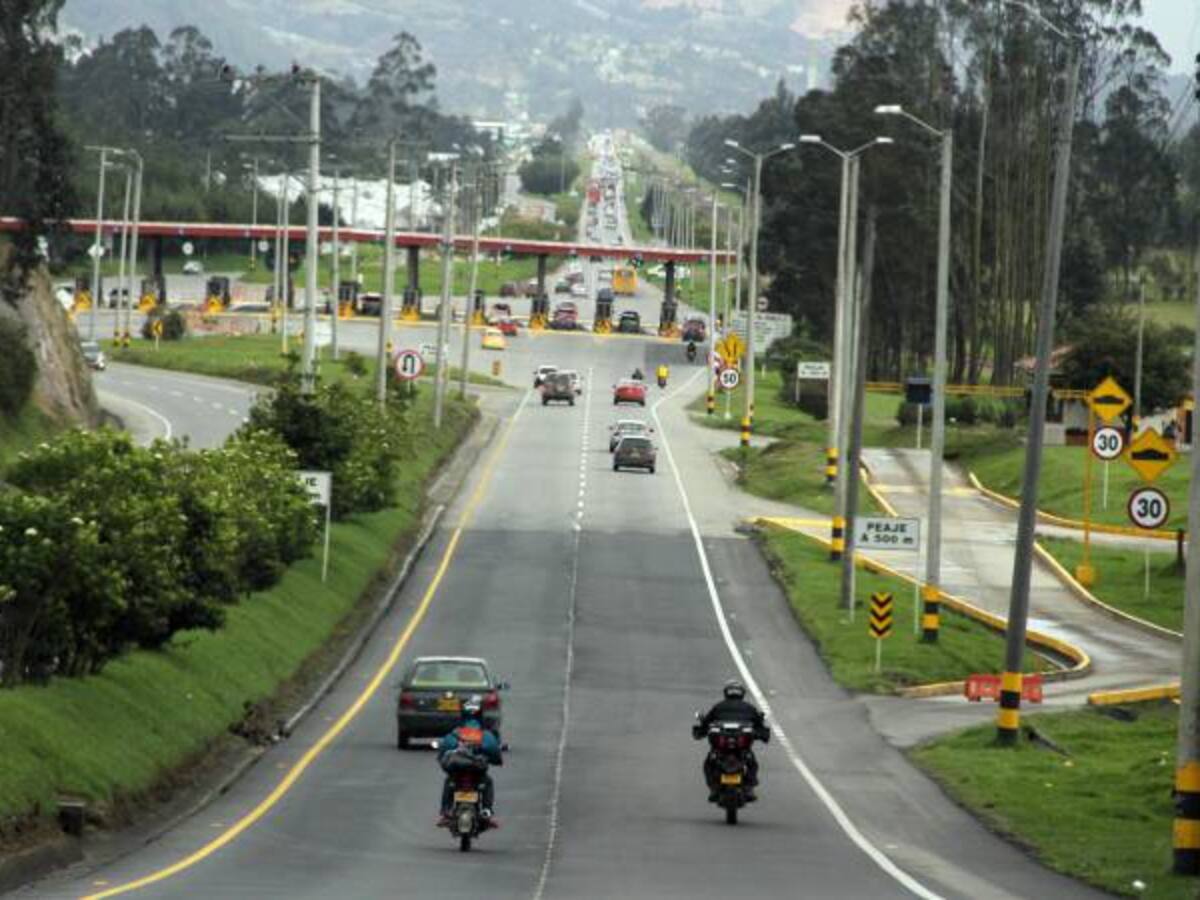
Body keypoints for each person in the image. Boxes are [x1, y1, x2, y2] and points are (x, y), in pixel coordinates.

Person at [694, 679, 770, 801]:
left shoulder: (718, 707)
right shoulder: (749, 708)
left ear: (726, 693)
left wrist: (700, 731)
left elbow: (705, 724)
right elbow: (760, 726)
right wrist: (762, 734)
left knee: (709, 763)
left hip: (730, 750)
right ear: (742, 693)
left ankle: (714, 788)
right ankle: (749, 786)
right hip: (734, 750)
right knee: (752, 762)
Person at [437, 697, 503, 825]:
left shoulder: (455, 733)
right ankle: (486, 810)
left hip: (457, 771)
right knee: (487, 782)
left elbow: (443, 752)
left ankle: (446, 811)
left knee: (449, 782)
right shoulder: (486, 735)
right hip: (478, 771)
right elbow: (495, 753)